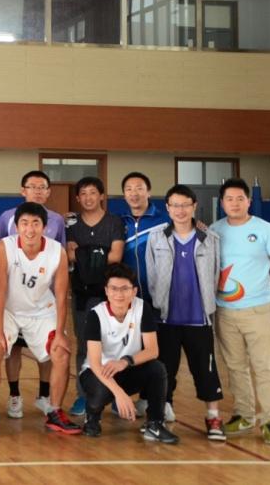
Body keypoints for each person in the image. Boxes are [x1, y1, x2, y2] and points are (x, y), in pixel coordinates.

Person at [0, 202, 80, 437]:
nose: (30, 229)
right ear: (17, 227)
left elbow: (62, 296)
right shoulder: (4, 247)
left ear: (44, 227)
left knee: (61, 352)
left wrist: (61, 333)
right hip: (9, 309)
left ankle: (54, 411)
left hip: (41, 310)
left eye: (36, 223)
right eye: (24, 223)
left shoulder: (57, 251)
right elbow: (1, 290)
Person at [211, 178, 270, 445]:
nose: (234, 203)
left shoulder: (265, 229)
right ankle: (244, 415)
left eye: (240, 199)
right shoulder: (214, 230)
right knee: (235, 367)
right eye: (229, 199)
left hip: (258, 310)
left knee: (264, 367)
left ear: (249, 201)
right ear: (222, 203)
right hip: (225, 312)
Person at [145, 185, 224, 440]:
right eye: (175, 205)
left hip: (199, 319)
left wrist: (207, 303)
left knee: (205, 369)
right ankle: (160, 414)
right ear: (168, 208)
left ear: (194, 206)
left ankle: (213, 417)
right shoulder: (156, 237)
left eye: (185, 205)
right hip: (166, 318)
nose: (180, 210)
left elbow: (215, 274)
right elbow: (151, 275)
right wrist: (159, 302)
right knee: (164, 370)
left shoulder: (210, 238)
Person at [0, 170, 65, 419]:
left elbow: (61, 279)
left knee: (53, 350)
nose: (37, 191)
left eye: (42, 187)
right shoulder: (6, 222)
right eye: (32, 186)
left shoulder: (57, 226)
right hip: (12, 302)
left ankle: (47, 400)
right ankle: (8, 398)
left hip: (41, 304)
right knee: (4, 348)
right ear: (23, 190)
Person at [80, 263, 178, 444]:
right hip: (98, 372)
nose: (119, 294)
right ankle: (92, 416)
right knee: (100, 391)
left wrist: (125, 361)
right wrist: (120, 394)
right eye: (114, 288)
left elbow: (152, 350)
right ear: (106, 291)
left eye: (124, 289)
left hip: (127, 368)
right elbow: (95, 363)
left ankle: (155, 423)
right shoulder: (96, 315)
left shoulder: (142, 308)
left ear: (134, 291)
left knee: (157, 369)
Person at [64, 176, 124, 417]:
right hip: (81, 294)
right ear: (78, 198)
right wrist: (99, 252)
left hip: (111, 294)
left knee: (115, 344)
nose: (88, 198)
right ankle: (84, 395)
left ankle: (118, 394)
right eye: (83, 194)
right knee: (84, 345)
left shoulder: (114, 222)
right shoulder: (72, 223)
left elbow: (116, 256)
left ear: (101, 196)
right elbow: (69, 255)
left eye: (93, 193)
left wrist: (84, 254)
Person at [117, 171, 169, 418]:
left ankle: (157, 400)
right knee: (129, 349)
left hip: (159, 298)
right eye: (129, 189)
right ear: (124, 194)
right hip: (129, 301)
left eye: (139, 188)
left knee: (159, 350)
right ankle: (125, 398)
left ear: (148, 191)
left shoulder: (166, 220)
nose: (134, 193)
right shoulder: (119, 222)